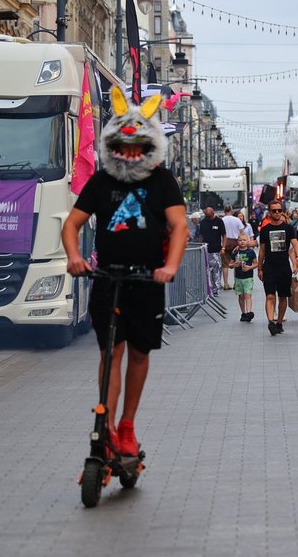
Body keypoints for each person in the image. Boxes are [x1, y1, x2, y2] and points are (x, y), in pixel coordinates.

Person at [61, 88, 188, 458]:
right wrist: (73, 257)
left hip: (147, 279)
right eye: (124, 148)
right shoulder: (102, 181)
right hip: (107, 277)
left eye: (138, 149)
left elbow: (180, 227)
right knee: (109, 351)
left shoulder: (162, 181)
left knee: (139, 352)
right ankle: (107, 424)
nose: (131, 156)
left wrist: (170, 267)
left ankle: (128, 424)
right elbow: (72, 224)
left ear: (149, 148)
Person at [258, 200, 298, 336]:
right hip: (269, 267)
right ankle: (271, 322)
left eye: (279, 210)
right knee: (270, 296)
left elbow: (295, 244)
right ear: (269, 213)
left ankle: (279, 322)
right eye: (274, 211)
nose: (277, 213)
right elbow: (261, 251)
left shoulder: (288, 228)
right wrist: (259, 268)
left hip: (284, 267)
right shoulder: (265, 230)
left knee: (283, 296)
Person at [198, 207, 226, 296]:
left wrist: (223, 248)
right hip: (205, 250)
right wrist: (199, 246)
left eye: (208, 215)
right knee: (206, 270)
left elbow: (224, 235)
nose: (207, 217)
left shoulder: (219, 221)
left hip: (216, 250)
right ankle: (207, 289)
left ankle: (216, 289)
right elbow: (201, 235)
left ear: (213, 213)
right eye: (206, 215)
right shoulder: (203, 222)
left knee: (216, 271)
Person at [232, 232, 258, 322]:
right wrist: (234, 265)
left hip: (248, 277)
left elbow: (256, 264)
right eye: (240, 240)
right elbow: (230, 264)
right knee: (241, 296)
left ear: (248, 241)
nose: (242, 242)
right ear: (237, 241)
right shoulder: (235, 252)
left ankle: (248, 313)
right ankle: (243, 313)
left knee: (248, 295)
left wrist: (249, 267)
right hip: (238, 277)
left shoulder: (251, 252)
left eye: (244, 240)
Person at [221, 205, 243, 290]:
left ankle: (226, 284)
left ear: (224, 211)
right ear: (231, 210)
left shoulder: (222, 220)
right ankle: (236, 283)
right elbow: (241, 232)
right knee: (236, 264)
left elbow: (221, 233)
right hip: (235, 243)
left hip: (225, 243)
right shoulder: (237, 220)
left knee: (225, 265)